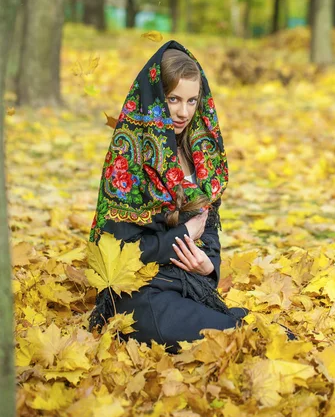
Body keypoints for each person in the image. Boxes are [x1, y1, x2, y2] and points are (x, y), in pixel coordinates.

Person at [88, 40, 249, 354]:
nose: (183, 112)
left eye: (191, 100)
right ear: (154, 98)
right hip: (141, 296)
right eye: (173, 99)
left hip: (190, 287)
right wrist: (183, 235)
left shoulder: (198, 152)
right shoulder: (128, 158)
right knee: (237, 339)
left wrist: (209, 265)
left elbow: (209, 227)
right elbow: (118, 253)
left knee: (259, 334)